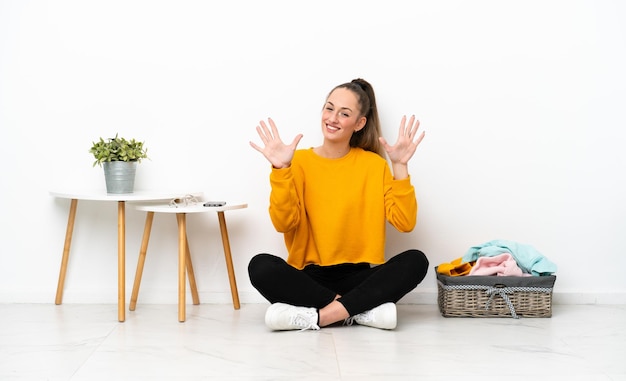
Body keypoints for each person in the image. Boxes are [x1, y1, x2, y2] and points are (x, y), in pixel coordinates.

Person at [248, 78, 429, 331]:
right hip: (309, 278)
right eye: (329, 108)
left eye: (344, 114)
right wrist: (281, 169)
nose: (332, 118)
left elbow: (405, 222)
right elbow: (283, 223)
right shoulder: (297, 161)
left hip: (359, 277)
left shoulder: (373, 165)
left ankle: (319, 317)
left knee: (416, 261)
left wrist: (400, 166)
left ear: (359, 123)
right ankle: (357, 311)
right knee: (260, 267)